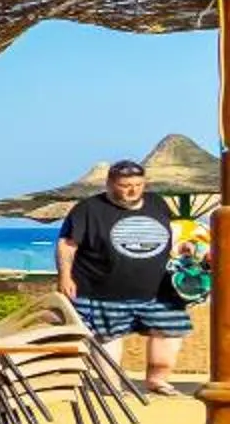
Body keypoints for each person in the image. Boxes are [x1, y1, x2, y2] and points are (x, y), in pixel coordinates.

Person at [58, 158, 192, 390]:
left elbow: (170, 236)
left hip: (158, 290)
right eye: (125, 185)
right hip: (102, 290)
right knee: (108, 337)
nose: (133, 190)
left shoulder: (157, 203)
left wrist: (183, 247)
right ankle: (112, 386)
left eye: (138, 184)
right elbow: (67, 245)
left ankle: (157, 381)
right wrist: (65, 276)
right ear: (110, 184)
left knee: (169, 330)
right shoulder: (88, 209)